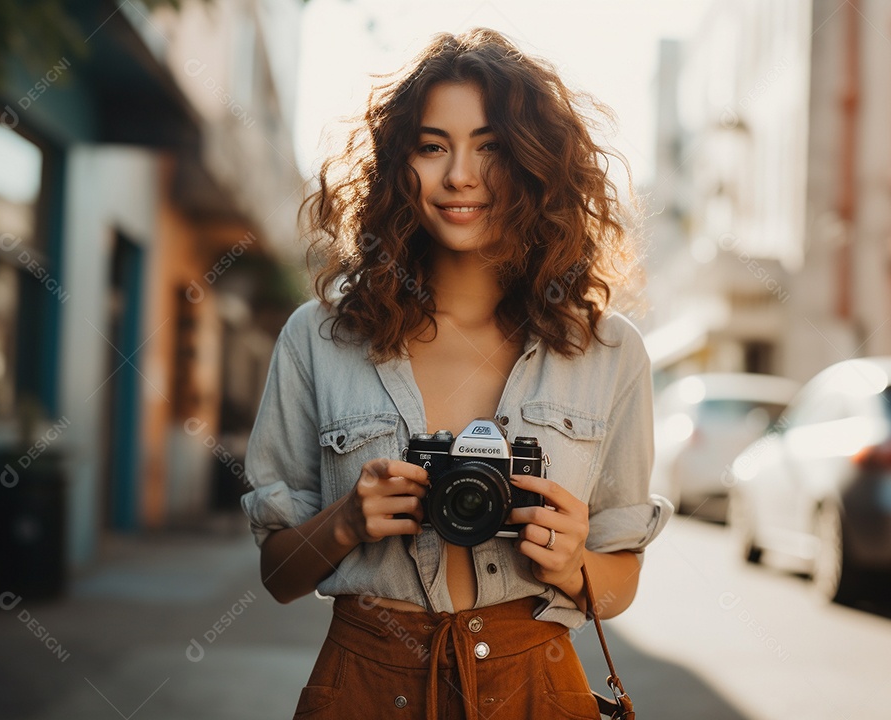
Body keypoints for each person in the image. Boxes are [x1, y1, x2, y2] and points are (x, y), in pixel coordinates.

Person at [241, 27, 671, 720]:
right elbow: (277, 575)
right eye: (432, 146)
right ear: (398, 166)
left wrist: (572, 564)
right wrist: (347, 521)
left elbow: (618, 585)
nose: (460, 176)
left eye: (491, 147)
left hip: (536, 687)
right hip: (365, 685)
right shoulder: (318, 339)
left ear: (536, 164)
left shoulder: (609, 353)